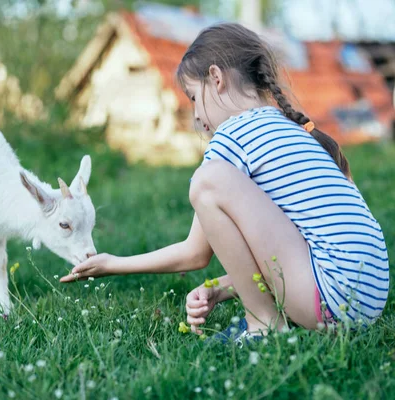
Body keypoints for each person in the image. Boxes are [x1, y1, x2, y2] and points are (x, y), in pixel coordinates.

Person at [60, 23, 389, 343]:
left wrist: (113, 264)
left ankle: (264, 327)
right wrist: (220, 288)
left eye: (192, 98)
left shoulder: (233, 135)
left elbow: (194, 254)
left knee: (208, 181)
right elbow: (290, 248)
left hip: (331, 300)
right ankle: (271, 321)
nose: (197, 119)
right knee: (214, 180)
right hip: (363, 301)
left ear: (216, 78)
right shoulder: (292, 130)